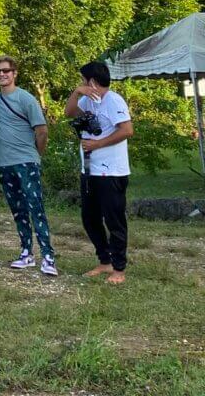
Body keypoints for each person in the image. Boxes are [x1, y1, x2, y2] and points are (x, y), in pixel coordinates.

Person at [65, 60, 133, 285]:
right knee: (90, 218)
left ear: (92, 81)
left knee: (114, 220)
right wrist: (76, 93)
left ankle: (119, 268)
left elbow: (127, 130)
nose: (81, 83)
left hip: (111, 171)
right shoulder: (88, 99)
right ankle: (104, 261)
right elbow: (70, 112)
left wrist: (98, 144)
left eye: (83, 80)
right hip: (90, 170)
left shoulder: (113, 100)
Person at [0, 57, 57, 276]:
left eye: (6, 71)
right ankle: (26, 252)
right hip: (4, 162)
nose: (2, 75)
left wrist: (36, 154)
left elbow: (42, 130)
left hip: (26, 161)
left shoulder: (25, 98)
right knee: (18, 210)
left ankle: (48, 256)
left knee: (36, 207)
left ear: (15, 73)